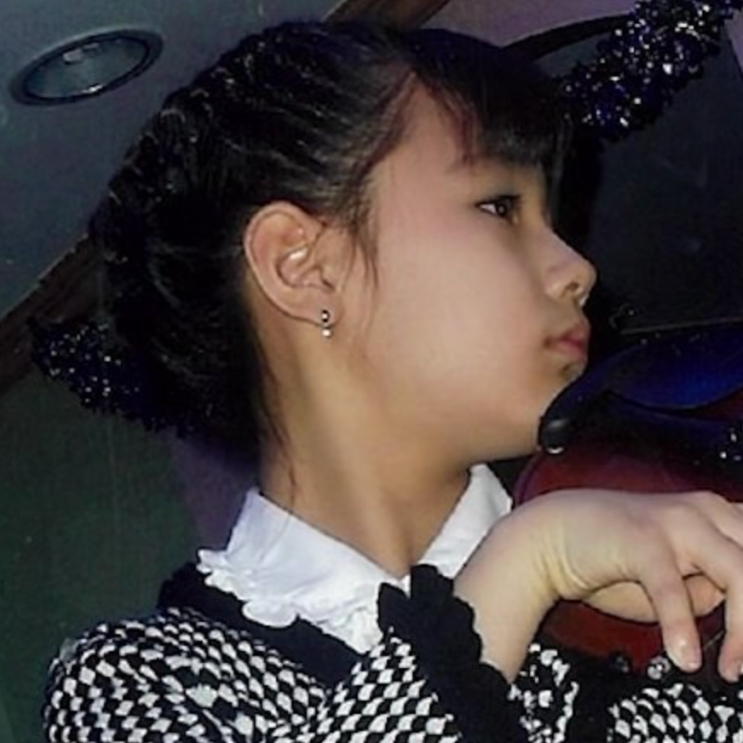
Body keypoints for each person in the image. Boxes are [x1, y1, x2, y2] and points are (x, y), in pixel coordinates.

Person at [43, 20, 743, 742]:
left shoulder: (668, 592)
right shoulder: (137, 678)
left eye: (551, 216)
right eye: (500, 206)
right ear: (302, 266)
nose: (577, 269)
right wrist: (526, 564)